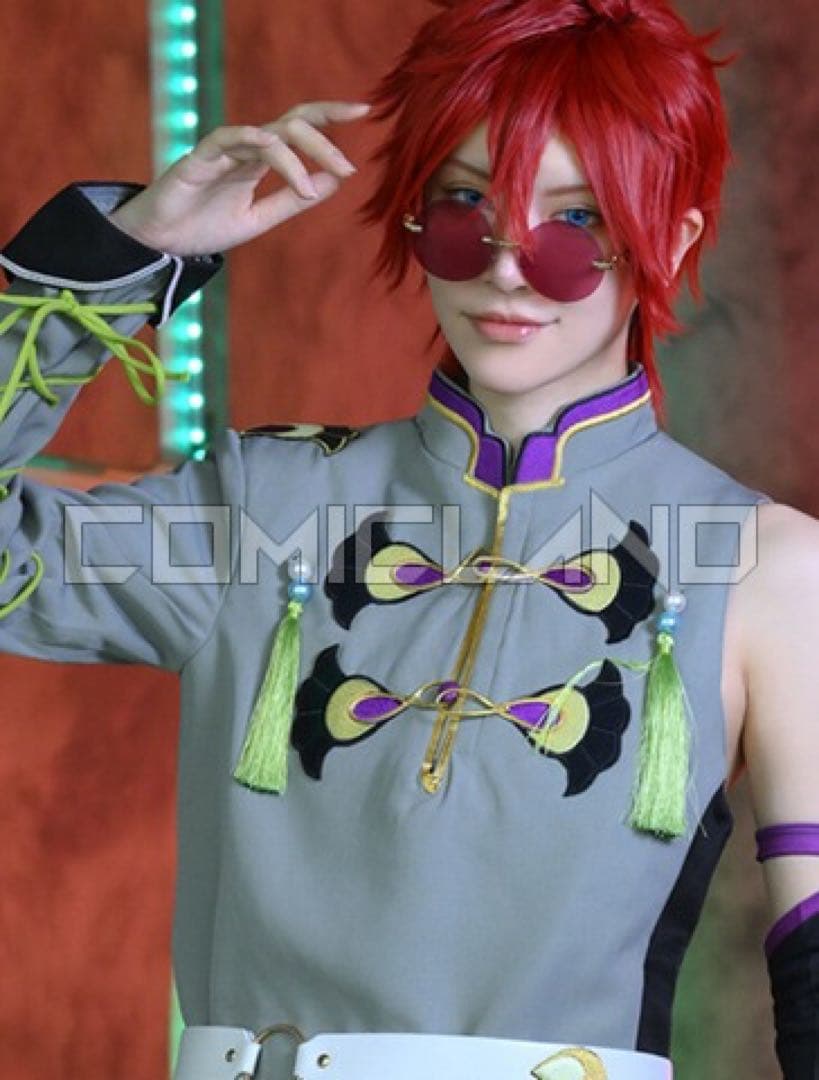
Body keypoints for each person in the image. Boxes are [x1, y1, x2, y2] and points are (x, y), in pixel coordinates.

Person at [0, 0, 817, 1077]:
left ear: (668, 240)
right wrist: (122, 257)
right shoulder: (259, 510)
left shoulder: (767, 568)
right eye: (465, 208)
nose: (508, 268)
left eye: (574, 224)